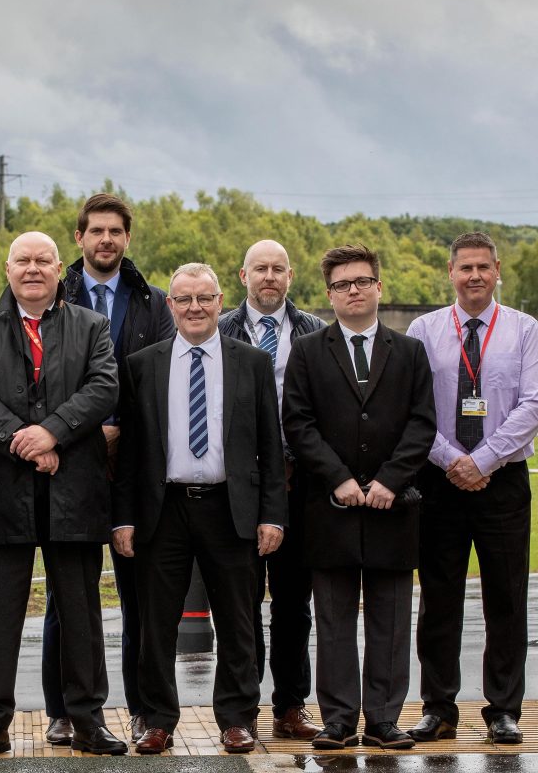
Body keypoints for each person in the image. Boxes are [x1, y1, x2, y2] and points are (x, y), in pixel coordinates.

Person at [0, 232, 126, 758]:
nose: (33, 269)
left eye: (43, 260)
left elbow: (103, 387)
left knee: (80, 610)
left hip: (73, 487)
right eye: (23, 261)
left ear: (58, 269)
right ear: (7, 269)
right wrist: (24, 442)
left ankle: (88, 719)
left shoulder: (91, 326)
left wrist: (52, 432)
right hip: (1, 491)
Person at [111, 263, 286, 755]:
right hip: (161, 509)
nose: (194, 308)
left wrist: (272, 513)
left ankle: (236, 718)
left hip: (231, 508)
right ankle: (158, 719)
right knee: (155, 622)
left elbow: (270, 446)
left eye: (204, 298)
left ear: (220, 300)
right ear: (171, 305)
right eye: (184, 299)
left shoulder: (250, 362)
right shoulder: (142, 365)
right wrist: (122, 517)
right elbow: (130, 453)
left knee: (239, 621)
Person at [282, 244, 435, 751]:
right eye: (343, 284)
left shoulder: (409, 351)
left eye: (362, 281)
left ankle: (385, 719)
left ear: (378, 287)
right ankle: (339, 719)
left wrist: (391, 480)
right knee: (333, 618)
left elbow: (421, 422)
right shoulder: (307, 350)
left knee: (392, 618)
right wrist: (338, 479)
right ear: (329, 294)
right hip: (330, 507)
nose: (353, 291)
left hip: (395, 504)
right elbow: (298, 424)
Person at [40, 192, 174, 743]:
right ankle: (63, 708)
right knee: (66, 593)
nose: (106, 240)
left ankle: (143, 708)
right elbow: (40, 376)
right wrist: (83, 429)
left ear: (126, 237)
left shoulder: (153, 302)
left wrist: (122, 430)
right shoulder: (53, 294)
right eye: (96, 231)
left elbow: (164, 378)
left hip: (134, 460)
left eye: (115, 231)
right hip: (70, 458)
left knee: (138, 592)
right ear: (79, 238)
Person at [406, 232, 538, 746]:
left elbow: (534, 405)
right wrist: (452, 460)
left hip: (503, 481)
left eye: (482, 267)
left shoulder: (524, 330)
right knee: (439, 598)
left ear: (497, 270)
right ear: (450, 272)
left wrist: (484, 459)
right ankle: (438, 708)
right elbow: (415, 407)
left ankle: (505, 709)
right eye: (465, 267)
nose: (474, 277)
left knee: (506, 598)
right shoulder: (424, 330)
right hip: (440, 479)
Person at [217, 238, 326, 741]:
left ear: (290, 276)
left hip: (297, 484)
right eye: (260, 269)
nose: (269, 277)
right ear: (243, 276)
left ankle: (290, 706)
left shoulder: (314, 332)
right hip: (238, 485)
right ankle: (242, 710)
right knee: (239, 604)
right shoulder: (218, 331)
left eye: (278, 269)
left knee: (291, 603)